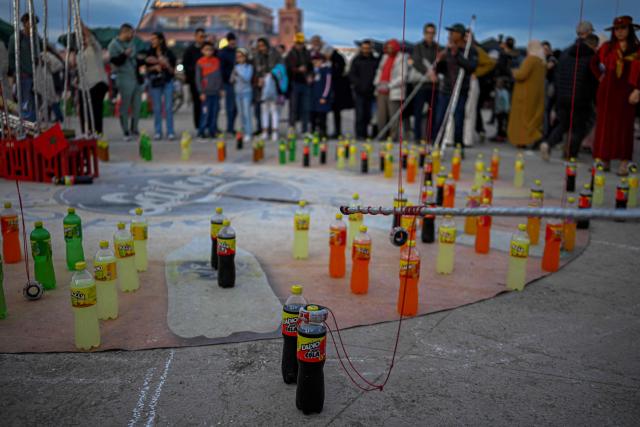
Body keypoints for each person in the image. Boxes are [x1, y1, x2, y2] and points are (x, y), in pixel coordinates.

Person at [590, 16, 640, 175]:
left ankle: (624, 162)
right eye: (617, 29)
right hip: (607, 91)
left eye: (623, 28)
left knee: (624, 127)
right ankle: (604, 159)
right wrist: (600, 77)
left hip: (627, 91)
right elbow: (593, 63)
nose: (619, 32)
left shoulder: (637, 49)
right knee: (606, 126)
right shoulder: (607, 47)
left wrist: (638, 90)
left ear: (630, 29)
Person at [540, 34, 598, 161]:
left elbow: (557, 75)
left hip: (562, 97)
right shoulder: (591, 57)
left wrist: (557, 96)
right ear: (592, 44)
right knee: (578, 128)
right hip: (581, 99)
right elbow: (593, 81)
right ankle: (571, 155)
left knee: (562, 124)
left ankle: (548, 143)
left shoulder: (565, 53)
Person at [433, 24, 478, 148]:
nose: (450, 34)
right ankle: (436, 143)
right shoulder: (446, 50)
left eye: (453, 32)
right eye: (450, 32)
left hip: (461, 90)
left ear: (460, 35)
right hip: (445, 90)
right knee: (440, 118)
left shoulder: (470, 50)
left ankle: (459, 145)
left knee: (459, 119)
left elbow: (471, 67)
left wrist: (457, 54)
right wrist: (439, 61)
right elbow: (440, 70)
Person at [506, 40, 546, 147]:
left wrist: (514, 72)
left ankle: (525, 140)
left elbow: (521, 75)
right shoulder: (542, 62)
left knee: (522, 120)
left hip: (524, 95)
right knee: (532, 118)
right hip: (536, 95)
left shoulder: (530, 60)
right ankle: (533, 138)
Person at [108, 23, 143, 141]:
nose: (132, 35)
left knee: (137, 105)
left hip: (135, 77)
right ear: (124, 32)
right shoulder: (114, 45)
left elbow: (136, 58)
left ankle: (134, 128)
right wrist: (124, 54)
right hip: (123, 77)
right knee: (125, 105)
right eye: (131, 32)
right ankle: (125, 130)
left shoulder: (132, 43)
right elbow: (115, 61)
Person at [8, 13, 42, 122]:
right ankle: (27, 128)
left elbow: (37, 56)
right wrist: (13, 75)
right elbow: (11, 56)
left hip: (34, 77)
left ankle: (32, 128)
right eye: (31, 23)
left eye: (35, 24)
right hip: (22, 77)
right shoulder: (16, 37)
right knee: (25, 105)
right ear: (24, 23)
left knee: (34, 104)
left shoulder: (36, 38)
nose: (33, 26)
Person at [77, 23, 109, 135]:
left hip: (97, 83)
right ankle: (87, 132)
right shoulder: (80, 52)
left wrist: (80, 23)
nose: (82, 39)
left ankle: (98, 133)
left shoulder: (95, 47)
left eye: (83, 36)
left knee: (96, 111)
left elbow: (90, 36)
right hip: (83, 86)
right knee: (83, 112)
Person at [374, 39, 409, 141]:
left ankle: (393, 137)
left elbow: (403, 76)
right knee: (381, 115)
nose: (390, 49)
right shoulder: (384, 57)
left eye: (392, 47)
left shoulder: (402, 58)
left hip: (394, 91)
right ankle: (381, 135)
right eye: (388, 47)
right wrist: (377, 83)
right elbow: (379, 71)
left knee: (393, 116)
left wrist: (389, 85)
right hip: (381, 90)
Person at [463, 36, 495, 146]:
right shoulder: (459, 48)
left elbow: (490, 63)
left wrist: (476, 73)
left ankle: (468, 138)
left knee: (470, 110)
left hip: (472, 83)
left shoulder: (476, 50)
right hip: (460, 83)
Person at [410, 23, 439, 142]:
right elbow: (416, 62)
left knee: (433, 113)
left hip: (433, 86)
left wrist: (435, 74)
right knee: (418, 112)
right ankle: (417, 137)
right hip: (420, 85)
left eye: (432, 33)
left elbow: (440, 64)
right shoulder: (418, 46)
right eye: (428, 32)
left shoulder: (438, 48)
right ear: (424, 33)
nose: (430, 35)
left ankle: (430, 137)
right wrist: (429, 72)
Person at [145, 32, 176, 140]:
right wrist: (155, 67)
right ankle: (158, 131)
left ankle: (170, 131)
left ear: (161, 40)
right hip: (155, 82)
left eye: (154, 39)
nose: (152, 41)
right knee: (157, 108)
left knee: (168, 108)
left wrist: (166, 65)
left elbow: (173, 71)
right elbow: (146, 68)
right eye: (151, 39)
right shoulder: (149, 53)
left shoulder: (169, 53)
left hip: (167, 81)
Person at [349, 40, 379, 140]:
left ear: (371, 49)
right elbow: (352, 75)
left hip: (371, 92)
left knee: (369, 115)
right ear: (361, 48)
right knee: (360, 115)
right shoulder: (356, 60)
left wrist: (373, 86)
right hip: (359, 92)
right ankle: (360, 134)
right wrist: (358, 85)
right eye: (364, 48)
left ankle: (368, 134)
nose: (366, 50)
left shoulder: (375, 60)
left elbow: (377, 74)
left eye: (368, 48)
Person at [253, 37, 281, 138]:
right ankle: (264, 131)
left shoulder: (275, 54)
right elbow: (256, 70)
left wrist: (271, 75)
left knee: (274, 109)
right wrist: (259, 79)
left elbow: (281, 68)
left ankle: (275, 131)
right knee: (264, 109)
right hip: (262, 86)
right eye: (259, 46)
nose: (262, 48)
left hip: (274, 84)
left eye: (263, 46)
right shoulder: (256, 56)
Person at [322, 45, 352, 138]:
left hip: (337, 90)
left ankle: (337, 131)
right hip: (332, 89)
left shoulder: (338, 59)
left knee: (336, 112)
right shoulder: (331, 59)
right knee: (330, 112)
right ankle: (328, 131)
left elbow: (338, 73)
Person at [286, 32, 312, 134]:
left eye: (301, 43)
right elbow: (288, 69)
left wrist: (310, 75)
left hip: (305, 84)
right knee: (293, 108)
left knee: (306, 108)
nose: (299, 45)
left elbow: (311, 67)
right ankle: (291, 128)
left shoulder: (307, 54)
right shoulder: (290, 54)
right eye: (297, 43)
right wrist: (298, 70)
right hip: (295, 83)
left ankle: (305, 130)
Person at [196, 41, 222, 139]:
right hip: (205, 93)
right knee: (205, 113)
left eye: (210, 50)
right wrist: (201, 92)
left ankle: (212, 130)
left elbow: (219, 76)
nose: (208, 52)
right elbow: (198, 79)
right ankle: (201, 131)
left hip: (215, 92)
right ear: (202, 51)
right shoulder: (200, 62)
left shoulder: (216, 61)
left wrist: (220, 89)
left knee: (214, 112)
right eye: (206, 50)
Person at [183, 28, 207, 130]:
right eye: (200, 36)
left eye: (204, 36)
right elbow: (185, 65)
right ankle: (198, 126)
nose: (202, 38)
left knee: (208, 104)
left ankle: (208, 125)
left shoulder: (208, 48)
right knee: (197, 104)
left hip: (207, 81)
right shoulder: (189, 50)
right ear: (195, 37)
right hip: (195, 81)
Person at [231, 48, 254, 144]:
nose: (239, 59)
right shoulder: (235, 67)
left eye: (241, 57)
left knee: (246, 113)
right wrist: (233, 76)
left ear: (245, 57)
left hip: (246, 92)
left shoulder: (249, 67)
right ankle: (243, 131)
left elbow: (247, 78)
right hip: (238, 92)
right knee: (241, 114)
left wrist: (238, 73)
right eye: (237, 57)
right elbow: (232, 80)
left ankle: (249, 132)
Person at [261, 60, 288, 142]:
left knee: (265, 113)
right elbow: (284, 86)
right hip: (278, 96)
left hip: (266, 96)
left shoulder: (269, 74)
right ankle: (275, 133)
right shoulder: (282, 71)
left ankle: (265, 133)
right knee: (275, 114)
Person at [310, 51, 332, 138]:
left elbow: (328, 84)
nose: (315, 63)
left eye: (317, 61)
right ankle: (313, 132)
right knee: (313, 116)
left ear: (322, 61)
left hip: (322, 98)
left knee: (322, 117)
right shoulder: (315, 71)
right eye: (314, 61)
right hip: (314, 97)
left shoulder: (326, 70)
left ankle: (323, 133)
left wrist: (324, 96)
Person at [219, 32, 237, 135]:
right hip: (228, 83)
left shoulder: (237, 51)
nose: (233, 42)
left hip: (237, 83)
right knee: (230, 106)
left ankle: (232, 126)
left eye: (234, 40)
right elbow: (221, 70)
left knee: (236, 107)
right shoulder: (223, 53)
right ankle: (230, 127)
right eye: (231, 40)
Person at [542, 41, 559, 137]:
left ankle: (547, 133)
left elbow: (548, 67)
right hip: (546, 87)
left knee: (547, 110)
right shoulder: (544, 59)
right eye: (543, 49)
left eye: (547, 49)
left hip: (550, 88)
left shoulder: (551, 59)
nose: (545, 51)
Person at [493, 77, 510, 141]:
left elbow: (506, 101)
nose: (498, 84)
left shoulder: (504, 92)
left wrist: (506, 109)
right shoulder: (497, 91)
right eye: (497, 83)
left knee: (502, 124)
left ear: (502, 84)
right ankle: (499, 134)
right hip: (498, 110)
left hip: (503, 111)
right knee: (498, 123)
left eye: (499, 83)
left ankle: (501, 135)